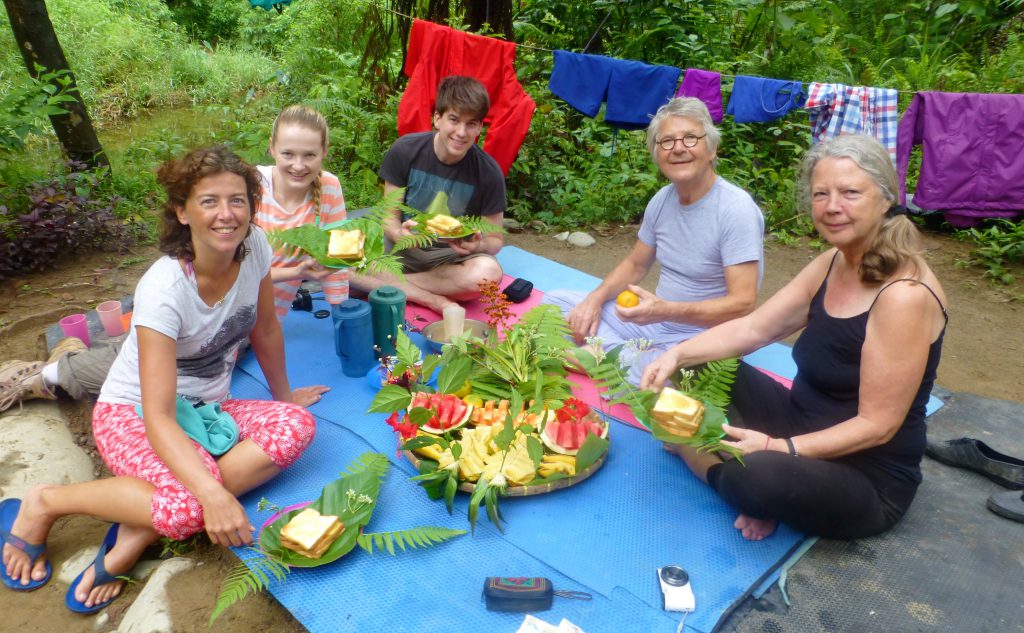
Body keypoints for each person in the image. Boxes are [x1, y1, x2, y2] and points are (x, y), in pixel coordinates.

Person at [1, 147, 316, 612]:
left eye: (238, 200)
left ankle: (140, 525)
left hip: (205, 411)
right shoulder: (164, 288)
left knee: (296, 426)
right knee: (193, 503)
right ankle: (47, 501)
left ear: (252, 206)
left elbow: (265, 328)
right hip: (133, 414)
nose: (226, 214)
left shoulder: (256, 250)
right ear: (181, 211)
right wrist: (212, 495)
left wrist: (286, 399)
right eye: (209, 201)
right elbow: (158, 415)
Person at [640, 134, 948, 541]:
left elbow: (877, 427)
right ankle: (749, 475)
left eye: (850, 193)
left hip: (867, 475)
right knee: (695, 367)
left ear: (886, 198)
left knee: (757, 478)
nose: (832, 206)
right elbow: (754, 328)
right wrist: (676, 355)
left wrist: (777, 448)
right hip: (797, 421)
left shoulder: (903, 296)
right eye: (821, 194)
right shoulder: (833, 262)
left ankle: (710, 463)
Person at [0, 104, 342, 413]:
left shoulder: (310, 198)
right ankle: (50, 372)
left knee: (206, 359)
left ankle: (73, 355)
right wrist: (298, 270)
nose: (299, 165)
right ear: (272, 148)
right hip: (196, 314)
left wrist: (338, 298)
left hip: (239, 323)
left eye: (309, 155)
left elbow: (329, 256)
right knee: (153, 365)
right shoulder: (243, 189)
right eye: (289, 153)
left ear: (324, 152)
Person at [543, 97, 764, 385]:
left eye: (690, 138)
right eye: (667, 141)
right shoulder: (662, 200)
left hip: (704, 338)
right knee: (554, 303)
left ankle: (609, 356)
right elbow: (635, 264)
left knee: (660, 372)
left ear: (711, 149)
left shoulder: (736, 209)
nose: (679, 148)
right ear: (657, 154)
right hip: (654, 324)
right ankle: (612, 356)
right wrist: (593, 301)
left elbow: (743, 304)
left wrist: (666, 310)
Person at [350, 75, 506, 313]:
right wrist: (397, 234)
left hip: (447, 260)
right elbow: (389, 216)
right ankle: (432, 299)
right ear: (437, 118)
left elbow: (495, 240)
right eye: (454, 119)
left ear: (479, 127)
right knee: (337, 249)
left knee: (488, 274)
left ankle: (382, 284)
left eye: (471, 124)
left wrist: (476, 246)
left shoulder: (488, 172)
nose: (461, 132)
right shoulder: (405, 150)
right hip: (401, 250)